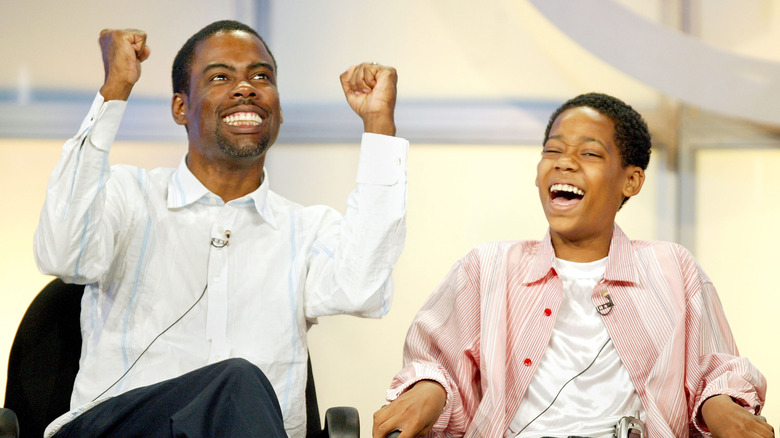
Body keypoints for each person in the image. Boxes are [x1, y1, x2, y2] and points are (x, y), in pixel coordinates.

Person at [33, 20, 408, 437]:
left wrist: (379, 126)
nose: (245, 88)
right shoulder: (128, 195)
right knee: (236, 384)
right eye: (220, 77)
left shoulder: (306, 229)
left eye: (261, 77)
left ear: (278, 110)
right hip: (120, 430)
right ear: (181, 108)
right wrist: (115, 90)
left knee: (238, 389)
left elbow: (365, 289)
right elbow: (63, 252)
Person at [372, 93, 772, 438]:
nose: (564, 163)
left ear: (630, 182)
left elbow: (714, 371)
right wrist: (429, 389)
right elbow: (437, 363)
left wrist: (721, 406)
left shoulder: (672, 268)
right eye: (552, 150)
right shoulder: (488, 267)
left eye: (589, 153)